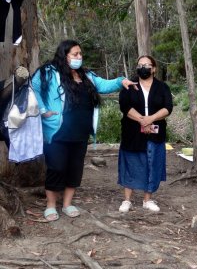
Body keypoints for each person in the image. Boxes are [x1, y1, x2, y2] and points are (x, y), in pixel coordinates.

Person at [32, 39, 135, 221]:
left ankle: (67, 204)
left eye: (80, 54)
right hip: (57, 132)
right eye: (75, 54)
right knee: (56, 168)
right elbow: (33, 89)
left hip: (81, 133)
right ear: (64, 55)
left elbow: (104, 85)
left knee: (75, 169)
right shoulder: (48, 72)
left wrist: (121, 81)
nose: (79, 57)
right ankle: (50, 205)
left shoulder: (86, 75)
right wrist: (43, 111)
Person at [118, 55, 173, 212]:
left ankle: (147, 200)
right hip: (132, 132)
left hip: (155, 133)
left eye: (147, 65)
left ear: (154, 68)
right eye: (140, 65)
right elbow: (125, 106)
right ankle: (127, 200)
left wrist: (151, 119)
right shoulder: (129, 86)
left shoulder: (162, 87)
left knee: (153, 163)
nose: (143, 67)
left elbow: (168, 107)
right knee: (131, 163)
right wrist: (142, 120)